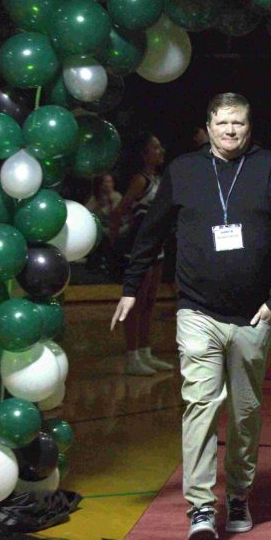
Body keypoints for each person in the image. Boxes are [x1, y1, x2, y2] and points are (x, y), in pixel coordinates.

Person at [111, 92, 271, 540]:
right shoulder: (183, 170)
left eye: (238, 123)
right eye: (223, 123)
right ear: (210, 125)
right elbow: (151, 231)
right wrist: (129, 286)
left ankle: (238, 494)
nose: (231, 130)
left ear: (249, 126)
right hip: (196, 310)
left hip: (253, 316)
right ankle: (200, 504)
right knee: (200, 405)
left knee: (245, 412)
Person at [110, 133, 173, 376]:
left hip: (157, 249)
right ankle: (131, 356)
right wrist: (116, 244)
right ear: (145, 154)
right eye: (155, 148)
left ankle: (146, 353)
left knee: (149, 303)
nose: (161, 151)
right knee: (135, 304)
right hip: (140, 250)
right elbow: (118, 212)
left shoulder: (158, 179)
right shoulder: (140, 180)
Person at [86, 173, 124, 279]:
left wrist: (111, 202)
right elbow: (87, 212)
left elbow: (117, 217)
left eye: (109, 182)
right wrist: (98, 204)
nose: (107, 184)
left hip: (117, 228)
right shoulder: (96, 198)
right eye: (105, 182)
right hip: (102, 229)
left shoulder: (117, 196)